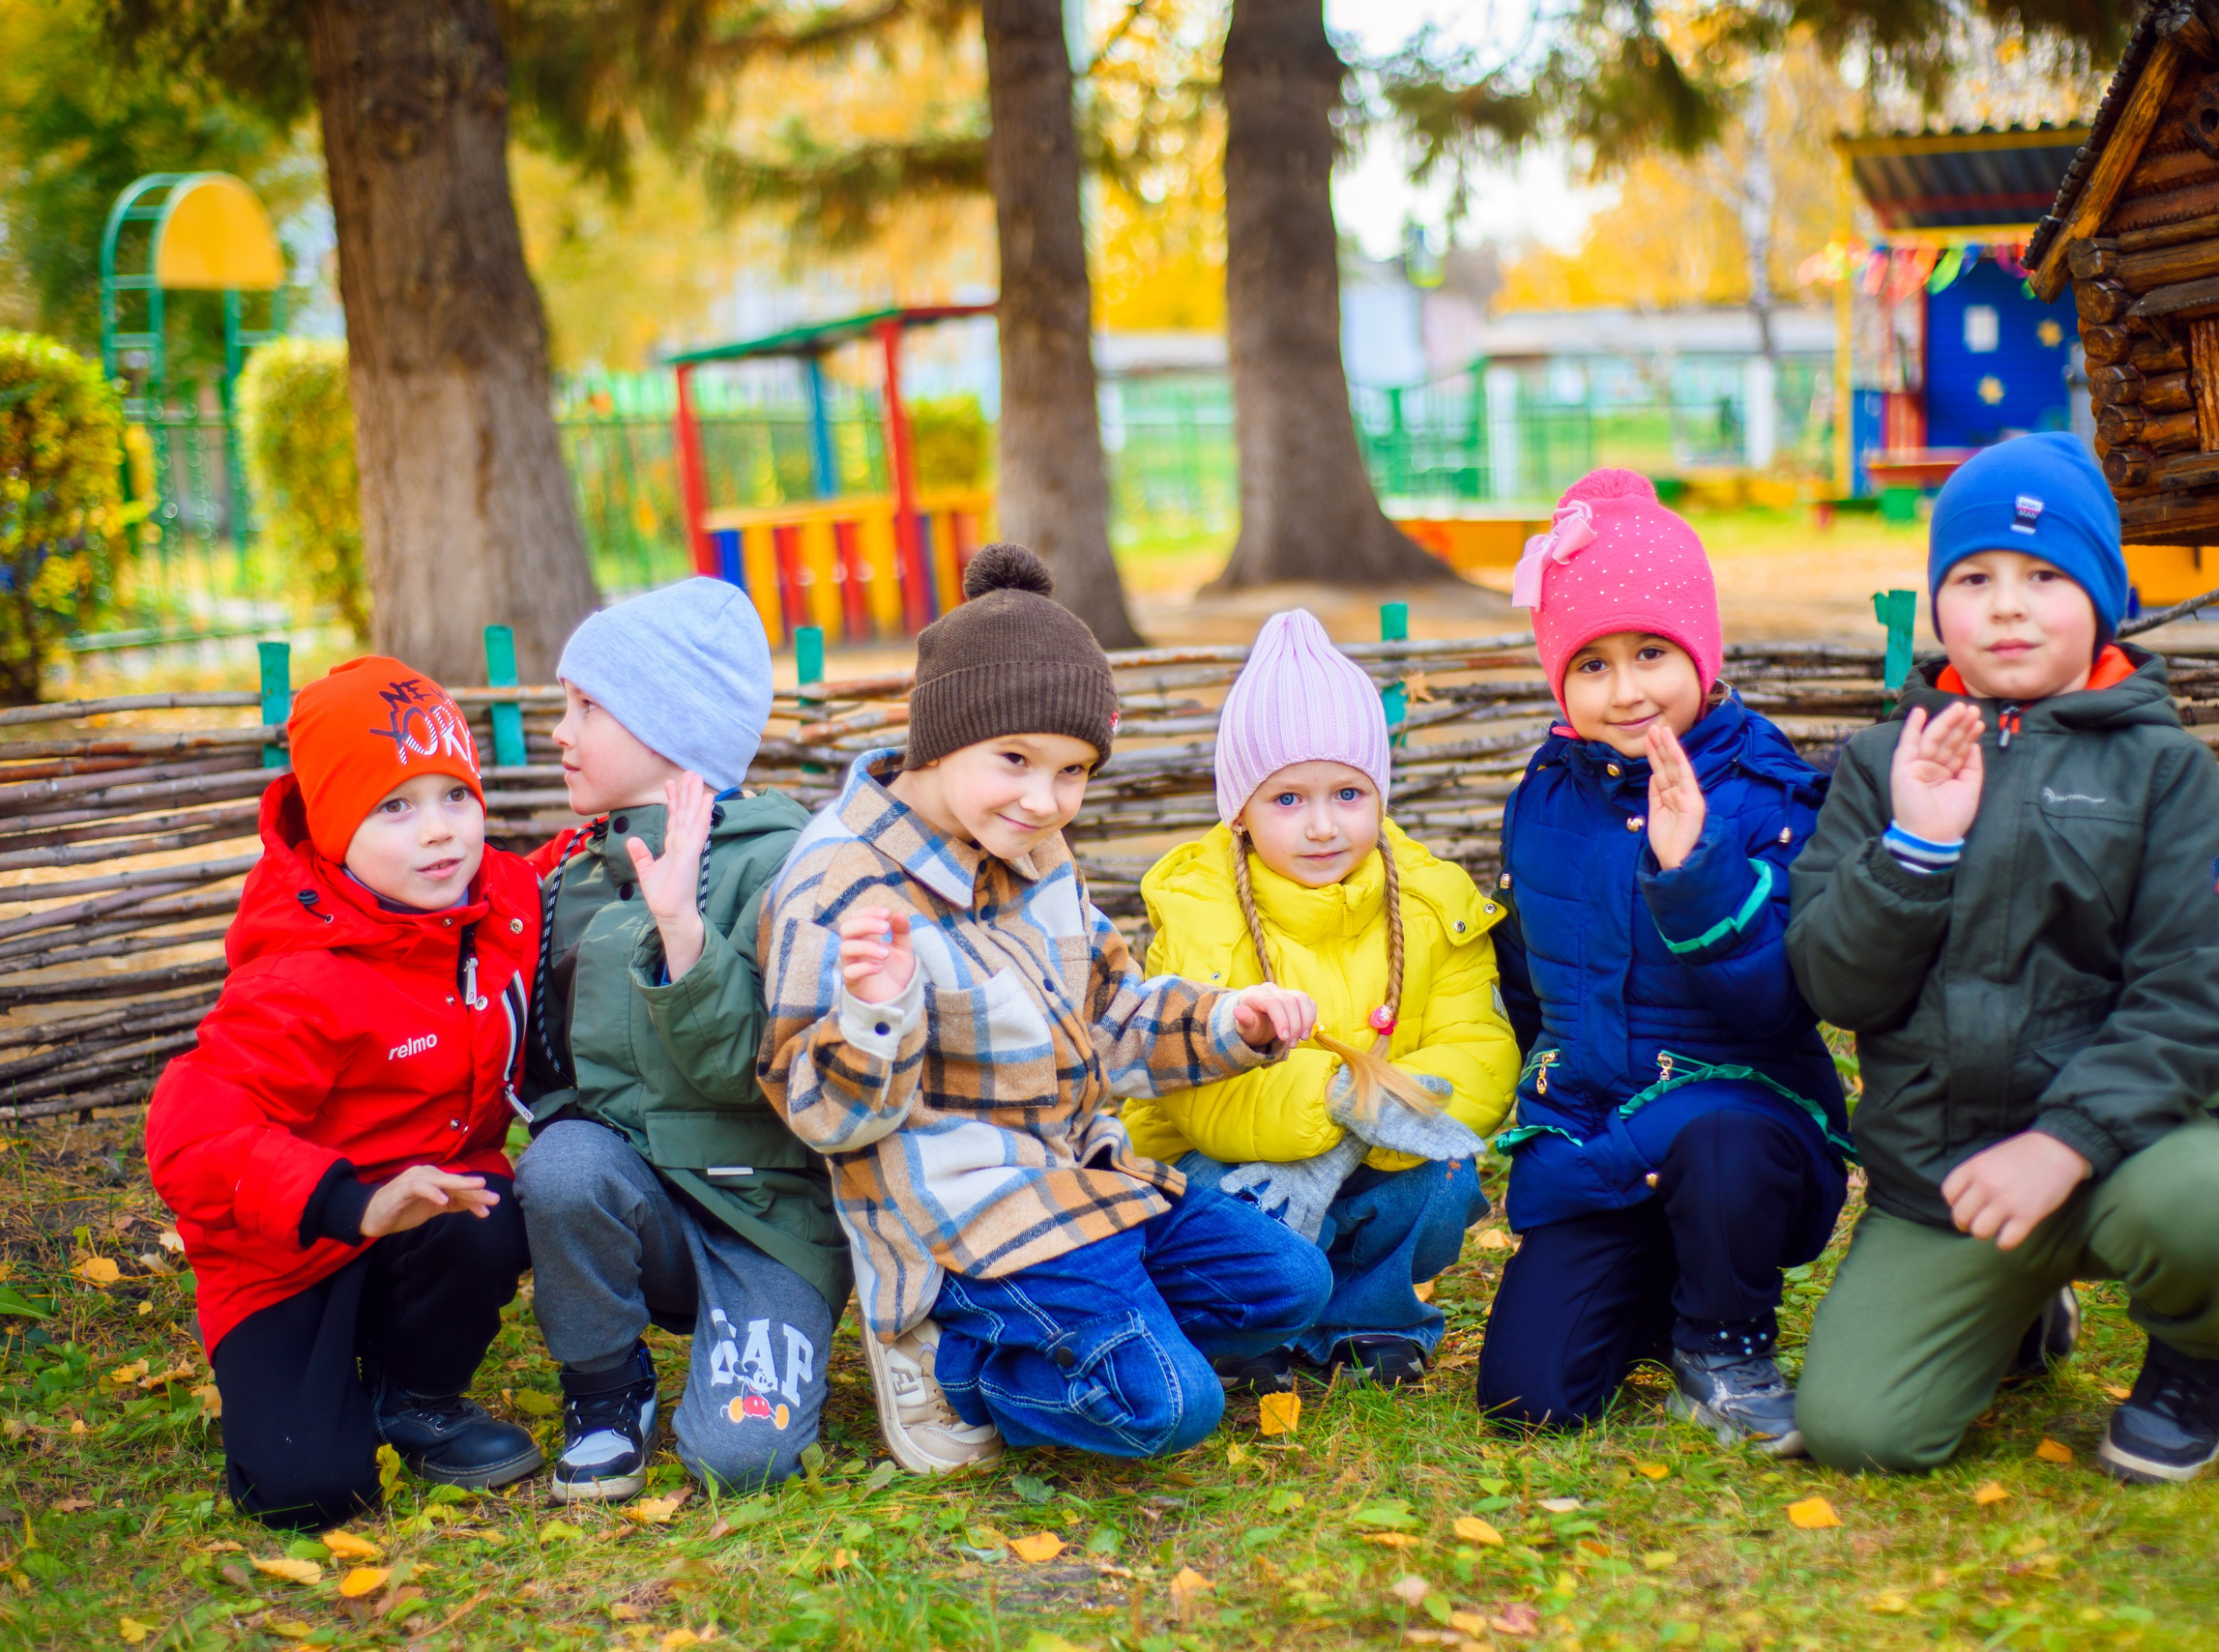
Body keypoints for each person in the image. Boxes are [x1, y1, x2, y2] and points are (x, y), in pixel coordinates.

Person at [760, 543, 1333, 1471]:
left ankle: (1102, 1321)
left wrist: (1235, 1021)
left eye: (1072, 771)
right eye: (1016, 758)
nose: (1044, 798)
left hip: (1079, 1180)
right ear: (941, 733)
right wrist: (876, 1011)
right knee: (1170, 1409)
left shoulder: (1034, 849)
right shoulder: (841, 883)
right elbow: (826, 1116)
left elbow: (1110, 1013)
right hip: (965, 1220)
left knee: (1293, 1282)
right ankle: (956, 1362)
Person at [1787, 432, 2219, 1483]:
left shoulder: (2159, 770)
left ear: (2102, 595)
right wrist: (1915, 850)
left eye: (2044, 575)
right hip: (1944, 1179)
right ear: (1937, 602)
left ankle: (2200, 1351)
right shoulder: (1883, 767)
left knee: (2203, 1209)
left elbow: (2203, 988)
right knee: (1858, 1429)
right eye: (1973, 578)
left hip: (2122, 1158)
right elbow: (1833, 983)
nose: (2006, 605)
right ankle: (2013, 1305)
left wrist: (2063, 1139)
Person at [1474, 468, 1851, 1455]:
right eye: (1590, 664)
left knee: (1716, 1139)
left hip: (1740, 1119)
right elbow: (1532, 969)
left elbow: (1780, 1002)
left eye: (1650, 652)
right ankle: (1655, 1281)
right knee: (1529, 1397)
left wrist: (1694, 871)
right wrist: (1539, 1101)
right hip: (1597, 1126)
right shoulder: (1547, 792)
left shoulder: (1767, 793)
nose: (1626, 688)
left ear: (1701, 650)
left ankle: (1723, 1344)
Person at [147, 658, 542, 1529]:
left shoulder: (501, 902)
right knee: (308, 1487)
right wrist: (349, 1202)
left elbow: (555, 874)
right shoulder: (300, 976)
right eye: (394, 806)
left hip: (425, 1211)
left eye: (455, 795)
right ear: (331, 826)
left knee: (491, 1213)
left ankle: (417, 1392)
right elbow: (186, 1132)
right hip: (285, 1252)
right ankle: (314, 1383)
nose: (439, 832)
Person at [511, 577, 844, 1503]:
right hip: (640, 1205)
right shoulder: (581, 869)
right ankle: (607, 1389)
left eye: (587, 707)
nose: (560, 732)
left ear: (671, 726)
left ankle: (749, 1345)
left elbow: (766, 1072)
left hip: (762, 1222)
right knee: (564, 1165)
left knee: (745, 1462)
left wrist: (686, 938)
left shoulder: (787, 865)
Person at [1124, 608, 1516, 1389]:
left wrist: (1365, 1115)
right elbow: (1196, 1089)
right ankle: (1254, 1323)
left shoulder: (1434, 900)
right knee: (1234, 1208)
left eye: (1347, 792)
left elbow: (1480, 1045)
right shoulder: (1203, 908)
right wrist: (1338, 1096)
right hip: (1225, 1156)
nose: (1324, 825)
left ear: (1380, 792)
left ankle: (1372, 1313)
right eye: (1288, 800)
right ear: (1239, 809)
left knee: (1442, 1179)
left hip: (1381, 1142)